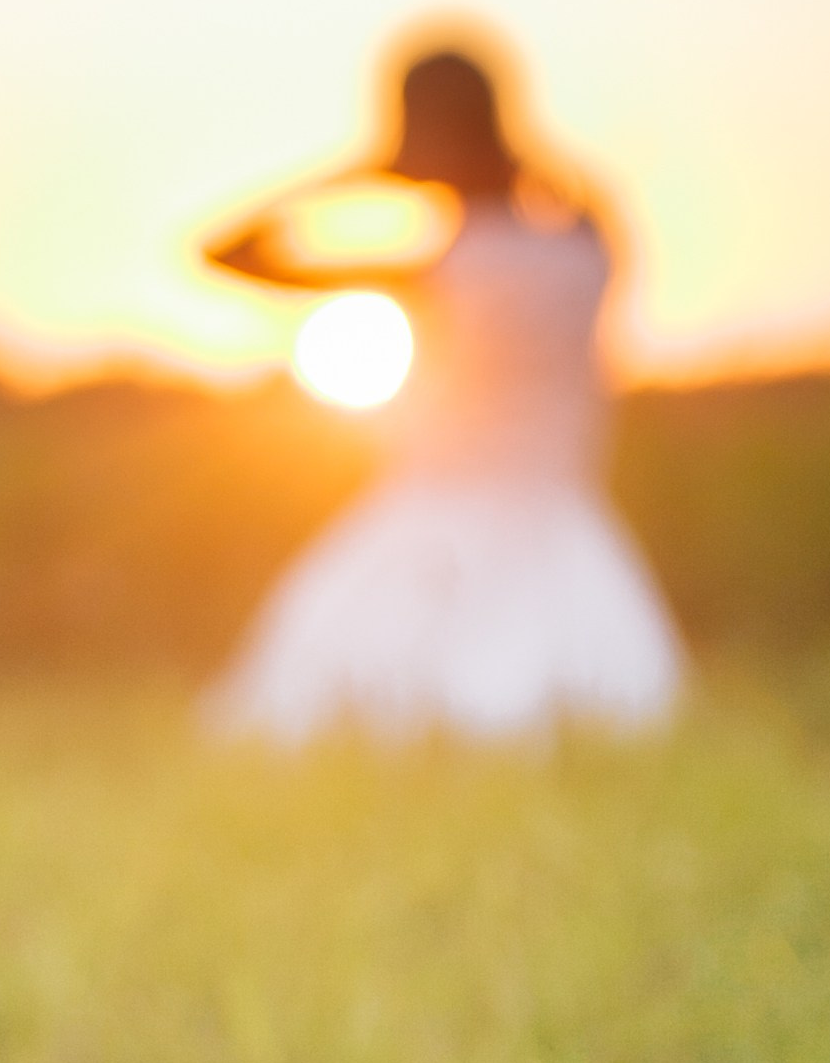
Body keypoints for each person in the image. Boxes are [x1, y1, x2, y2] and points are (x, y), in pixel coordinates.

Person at [200, 40, 684, 745]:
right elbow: (587, 201)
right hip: (565, 523)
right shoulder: (587, 246)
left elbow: (227, 252)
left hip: (428, 526)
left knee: (392, 709)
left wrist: (359, 170)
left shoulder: (433, 273)